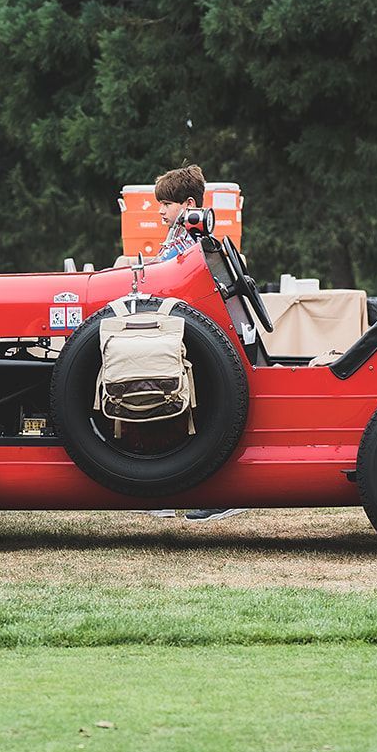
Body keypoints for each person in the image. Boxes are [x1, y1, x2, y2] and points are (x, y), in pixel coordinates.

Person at [150, 163, 246, 523]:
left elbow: (163, 281)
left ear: (187, 204)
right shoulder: (195, 240)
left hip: (190, 338)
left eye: (165, 204)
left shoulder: (187, 241)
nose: (159, 211)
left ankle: (212, 490)